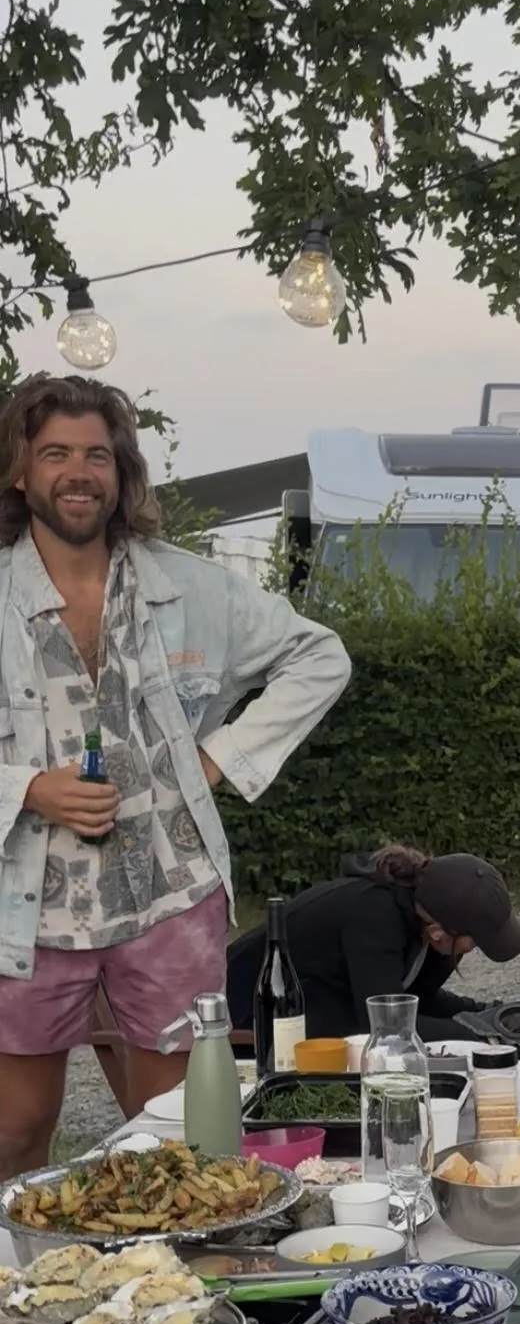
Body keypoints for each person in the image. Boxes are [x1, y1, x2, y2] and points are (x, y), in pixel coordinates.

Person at [0, 372, 351, 1176]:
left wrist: (216, 758)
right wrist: (28, 788)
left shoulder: (189, 587)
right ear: (22, 471)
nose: (77, 471)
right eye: (55, 452)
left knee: (180, 1133)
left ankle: (176, 1290)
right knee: (15, 1130)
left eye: (96, 454)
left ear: (121, 475)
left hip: (169, 889)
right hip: (27, 903)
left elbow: (319, 655)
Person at [226, 842, 520, 1043]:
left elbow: (411, 1001)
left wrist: (485, 1012)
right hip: (246, 1017)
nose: (472, 950)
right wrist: (482, 1034)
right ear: (440, 931)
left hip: (319, 1005)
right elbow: (381, 1024)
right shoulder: (375, 915)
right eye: (473, 942)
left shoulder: (422, 919)